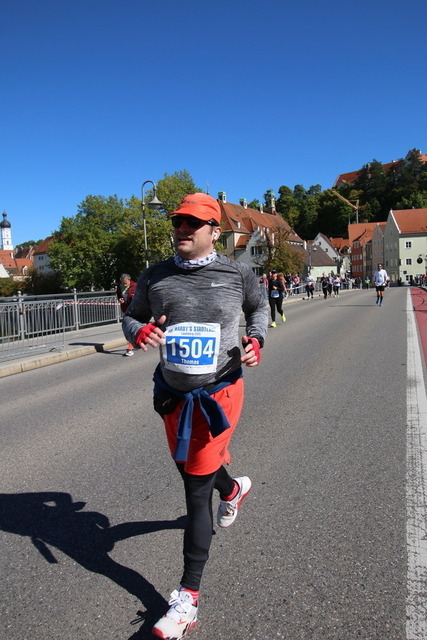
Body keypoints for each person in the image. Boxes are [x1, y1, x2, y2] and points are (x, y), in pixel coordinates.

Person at [122, 192, 268, 640]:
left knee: (195, 490)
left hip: (218, 394)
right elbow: (130, 316)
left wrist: (256, 338)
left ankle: (187, 599)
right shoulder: (155, 275)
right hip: (172, 397)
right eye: (177, 222)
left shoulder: (237, 272)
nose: (182, 229)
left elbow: (259, 307)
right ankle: (234, 488)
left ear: (214, 232)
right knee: (191, 469)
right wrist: (139, 330)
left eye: (193, 223)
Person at [116, 273, 137, 355]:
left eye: (125, 283)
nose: (124, 285)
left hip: (135, 309)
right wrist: (120, 300)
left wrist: (135, 297)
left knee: (130, 327)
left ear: (129, 280)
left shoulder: (135, 286)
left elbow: (142, 295)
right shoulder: (119, 286)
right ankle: (135, 342)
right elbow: (118, 295)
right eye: (122, 283)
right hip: (125, 309)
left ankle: (130, 347)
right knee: (127, 327)